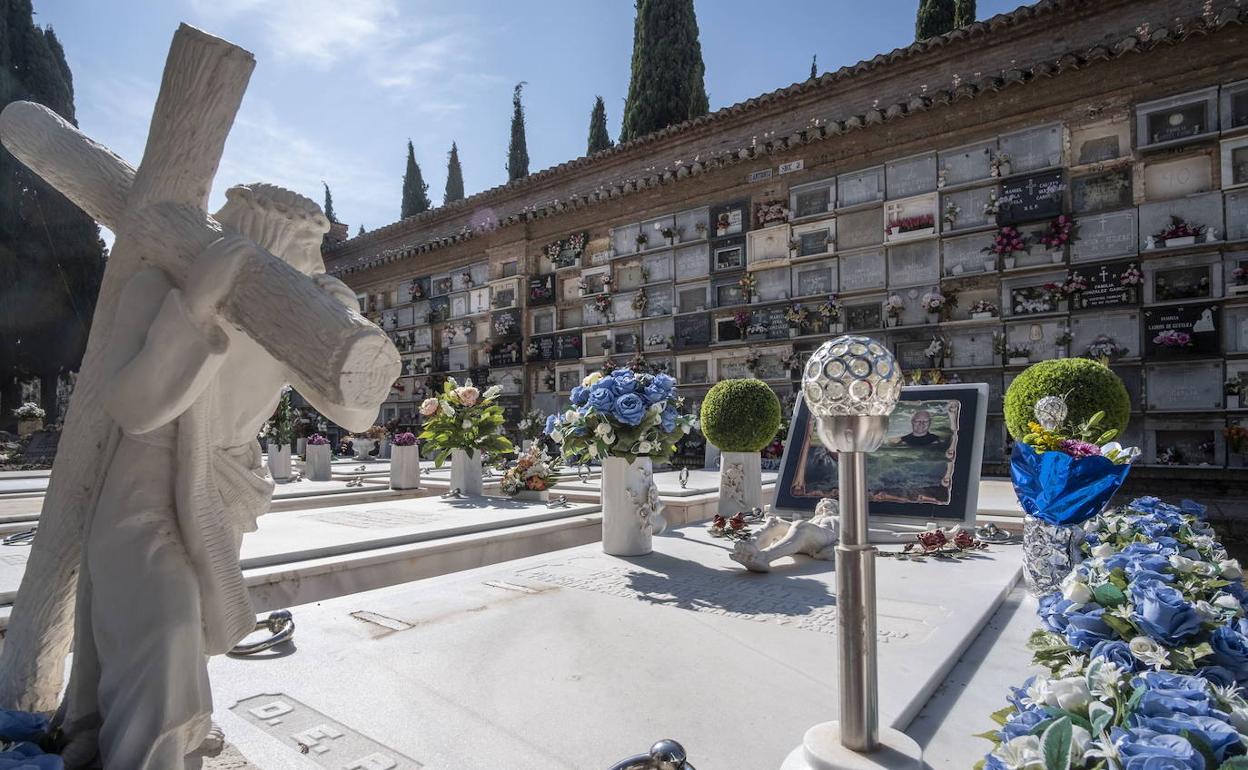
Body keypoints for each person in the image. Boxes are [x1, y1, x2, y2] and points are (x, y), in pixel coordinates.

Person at [58, 184, 375, 770]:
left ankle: (172, 742)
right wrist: (196, 307)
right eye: (307, 247)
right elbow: (133, 409)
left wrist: (350, 331)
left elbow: (356, 417)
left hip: (224, 483)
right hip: (147, 478)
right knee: (166, 625)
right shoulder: (157, 289)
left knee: (196, 625)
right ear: (262, 242)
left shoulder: (294, 323)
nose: (318, 266)